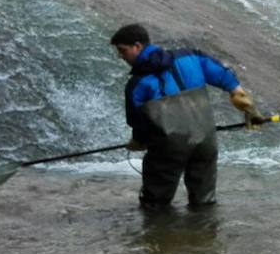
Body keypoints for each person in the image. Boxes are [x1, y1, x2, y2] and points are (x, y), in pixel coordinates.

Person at [110, 23, 263, 209]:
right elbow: (224, 77)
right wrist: (247, 107)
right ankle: (205, 235)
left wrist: (138, 142)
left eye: (122, 51)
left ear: (138, 46)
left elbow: (137, 122)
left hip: (168, 149)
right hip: (205, 141)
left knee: (154, 206)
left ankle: (159, 237)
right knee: (205, 202)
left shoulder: (137, 84)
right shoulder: (190, 56)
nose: (121, 57)